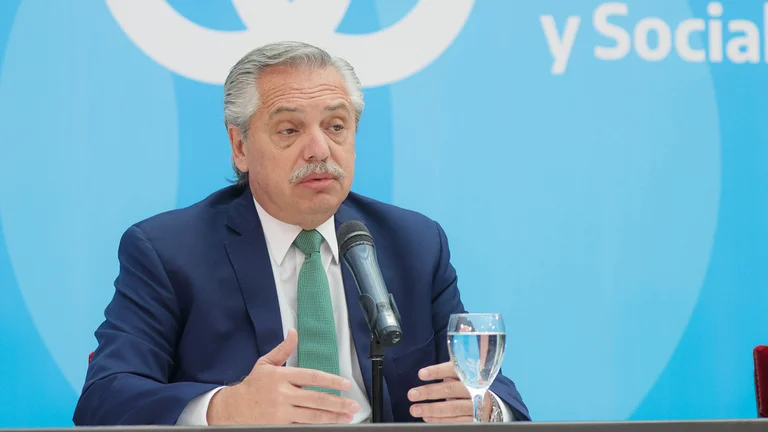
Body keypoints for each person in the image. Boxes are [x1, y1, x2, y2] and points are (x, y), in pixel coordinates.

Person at [72, 41, 529, 425]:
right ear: (240, 147)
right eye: (290, 129)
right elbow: (104, 397)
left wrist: (484, 408)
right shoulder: (169, 252)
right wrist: (224, 409)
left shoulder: (415, 243)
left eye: (336, 126)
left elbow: (495, 392)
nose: (319, 149)